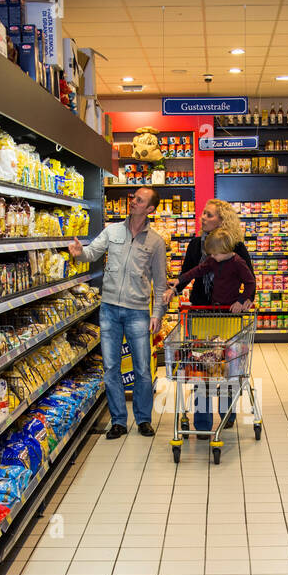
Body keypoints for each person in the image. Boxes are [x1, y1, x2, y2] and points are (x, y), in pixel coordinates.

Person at [69, 185, 167, 440]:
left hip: (138, 312)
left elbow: (160, 282)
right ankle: (118, 421)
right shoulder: (112, 231)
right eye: (134, 198)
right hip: (109, 309)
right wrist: (79, 254)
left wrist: (157, 314)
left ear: (150, 209)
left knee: (143, 369)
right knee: (111, 367)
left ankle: (144, 419)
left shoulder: (156, 242)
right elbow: (92, 253)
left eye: (139, 200)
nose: (133, 202)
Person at [173, 199, 253, 432]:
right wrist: (174, 288)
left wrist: (244, 300)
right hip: (201, 312)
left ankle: (227, 413)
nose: (203, 218)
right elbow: (189, 272)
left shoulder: (236, 247)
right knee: (201, 366)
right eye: (203, 214)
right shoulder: (197, 245)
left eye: (208, 215)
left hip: (228, 315)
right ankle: (203, 422)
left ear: (222, 219)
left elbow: (250, 280)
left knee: (227, 365)